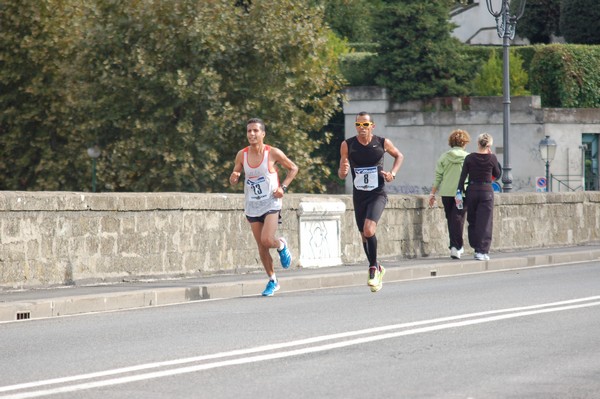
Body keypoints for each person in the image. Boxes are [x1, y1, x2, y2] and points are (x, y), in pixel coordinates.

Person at [230, 118, 299, 296]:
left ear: (263, 134)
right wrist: (235, 176)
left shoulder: (273, 153)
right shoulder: (242, 155)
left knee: (267, 240)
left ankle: (281, 244)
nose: (251, 134)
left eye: (255, 131)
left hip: (271, 202)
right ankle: (272, 280)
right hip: (252, 205)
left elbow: (293, 168)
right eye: (249, 131)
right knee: (261, 246)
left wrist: (283, 187)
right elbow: (236, 171)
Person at [338, 111, 404, 292]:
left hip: (377, 194)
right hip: (359, 196)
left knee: (369, 229)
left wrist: (393, 174)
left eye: (365, 125)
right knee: (364, 236)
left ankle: (373, 268)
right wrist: (343, 171)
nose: (362, 128)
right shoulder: (347, 144)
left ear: (372, 126)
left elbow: (399, 156)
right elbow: (342, 171)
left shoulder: (382, 142)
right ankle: (378, 267)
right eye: (358, 125)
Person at [455, 133, 501, 261]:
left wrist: (459, 191)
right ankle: (482, 250)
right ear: (489, 145)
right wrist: (491, 156)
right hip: (486, 191)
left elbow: (463, 176)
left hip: (472, 191)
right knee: (485, 222)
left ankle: (475, 247)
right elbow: (497, 174)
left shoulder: (469, 158)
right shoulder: (492, 158)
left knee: (473, 220)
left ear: (478, 143)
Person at [428, 129, 471, 260]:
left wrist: (432, 193)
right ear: (464, 143)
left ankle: (454, 246)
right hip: (461, 193)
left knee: (451, 220)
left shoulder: (444, 157)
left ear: (451, 142)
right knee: (458, 220)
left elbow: (438, 177)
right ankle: (456, 247)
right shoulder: (468, 157)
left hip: (446, 193)